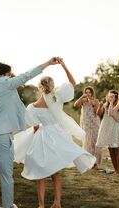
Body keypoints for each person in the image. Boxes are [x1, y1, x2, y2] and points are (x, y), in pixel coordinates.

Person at [0, 57, 61, 208]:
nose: (12, 76)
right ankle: (8, 206)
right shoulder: (6, 83)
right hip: (1, 135)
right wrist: (48, 63)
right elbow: (27, 75)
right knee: (6, 174)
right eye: (10, 73)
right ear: (5, 74)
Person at [14, 59, 96, 208]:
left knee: (41, 173)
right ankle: (57, 202)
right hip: (58, 136)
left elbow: (34, 125)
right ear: (52, 86)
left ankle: (41, 205)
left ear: (39, 88)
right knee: (56, 172)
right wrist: (64, 65)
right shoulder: (58, 97)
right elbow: (72, 83)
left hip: (42, 137)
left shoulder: (32, 107)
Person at [74, 86, 101, 168]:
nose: (88, 94)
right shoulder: (83, 101)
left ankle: (95, 161)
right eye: (86, 92)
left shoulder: (95, 101)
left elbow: (97, 113)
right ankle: (88, 161)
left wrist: (92, 104)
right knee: (87, 142)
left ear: (92, 93)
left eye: (89, 92)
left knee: (94, 141)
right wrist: (82, 96)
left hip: (94, 123)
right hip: (85, 123)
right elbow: (75, 105)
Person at [96, 90, 119, 174]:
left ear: (115, 97)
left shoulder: (118, 105)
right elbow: (98, 114)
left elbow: (116, 116)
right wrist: (100, 106)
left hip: (115, 127)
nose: (110, 98)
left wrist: (112, 102)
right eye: (109, 96)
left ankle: (118, 170)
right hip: (107, 127)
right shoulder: (105, 105)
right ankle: (115, 170)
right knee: (110, 149)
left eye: (112, 96)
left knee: (117, 148)